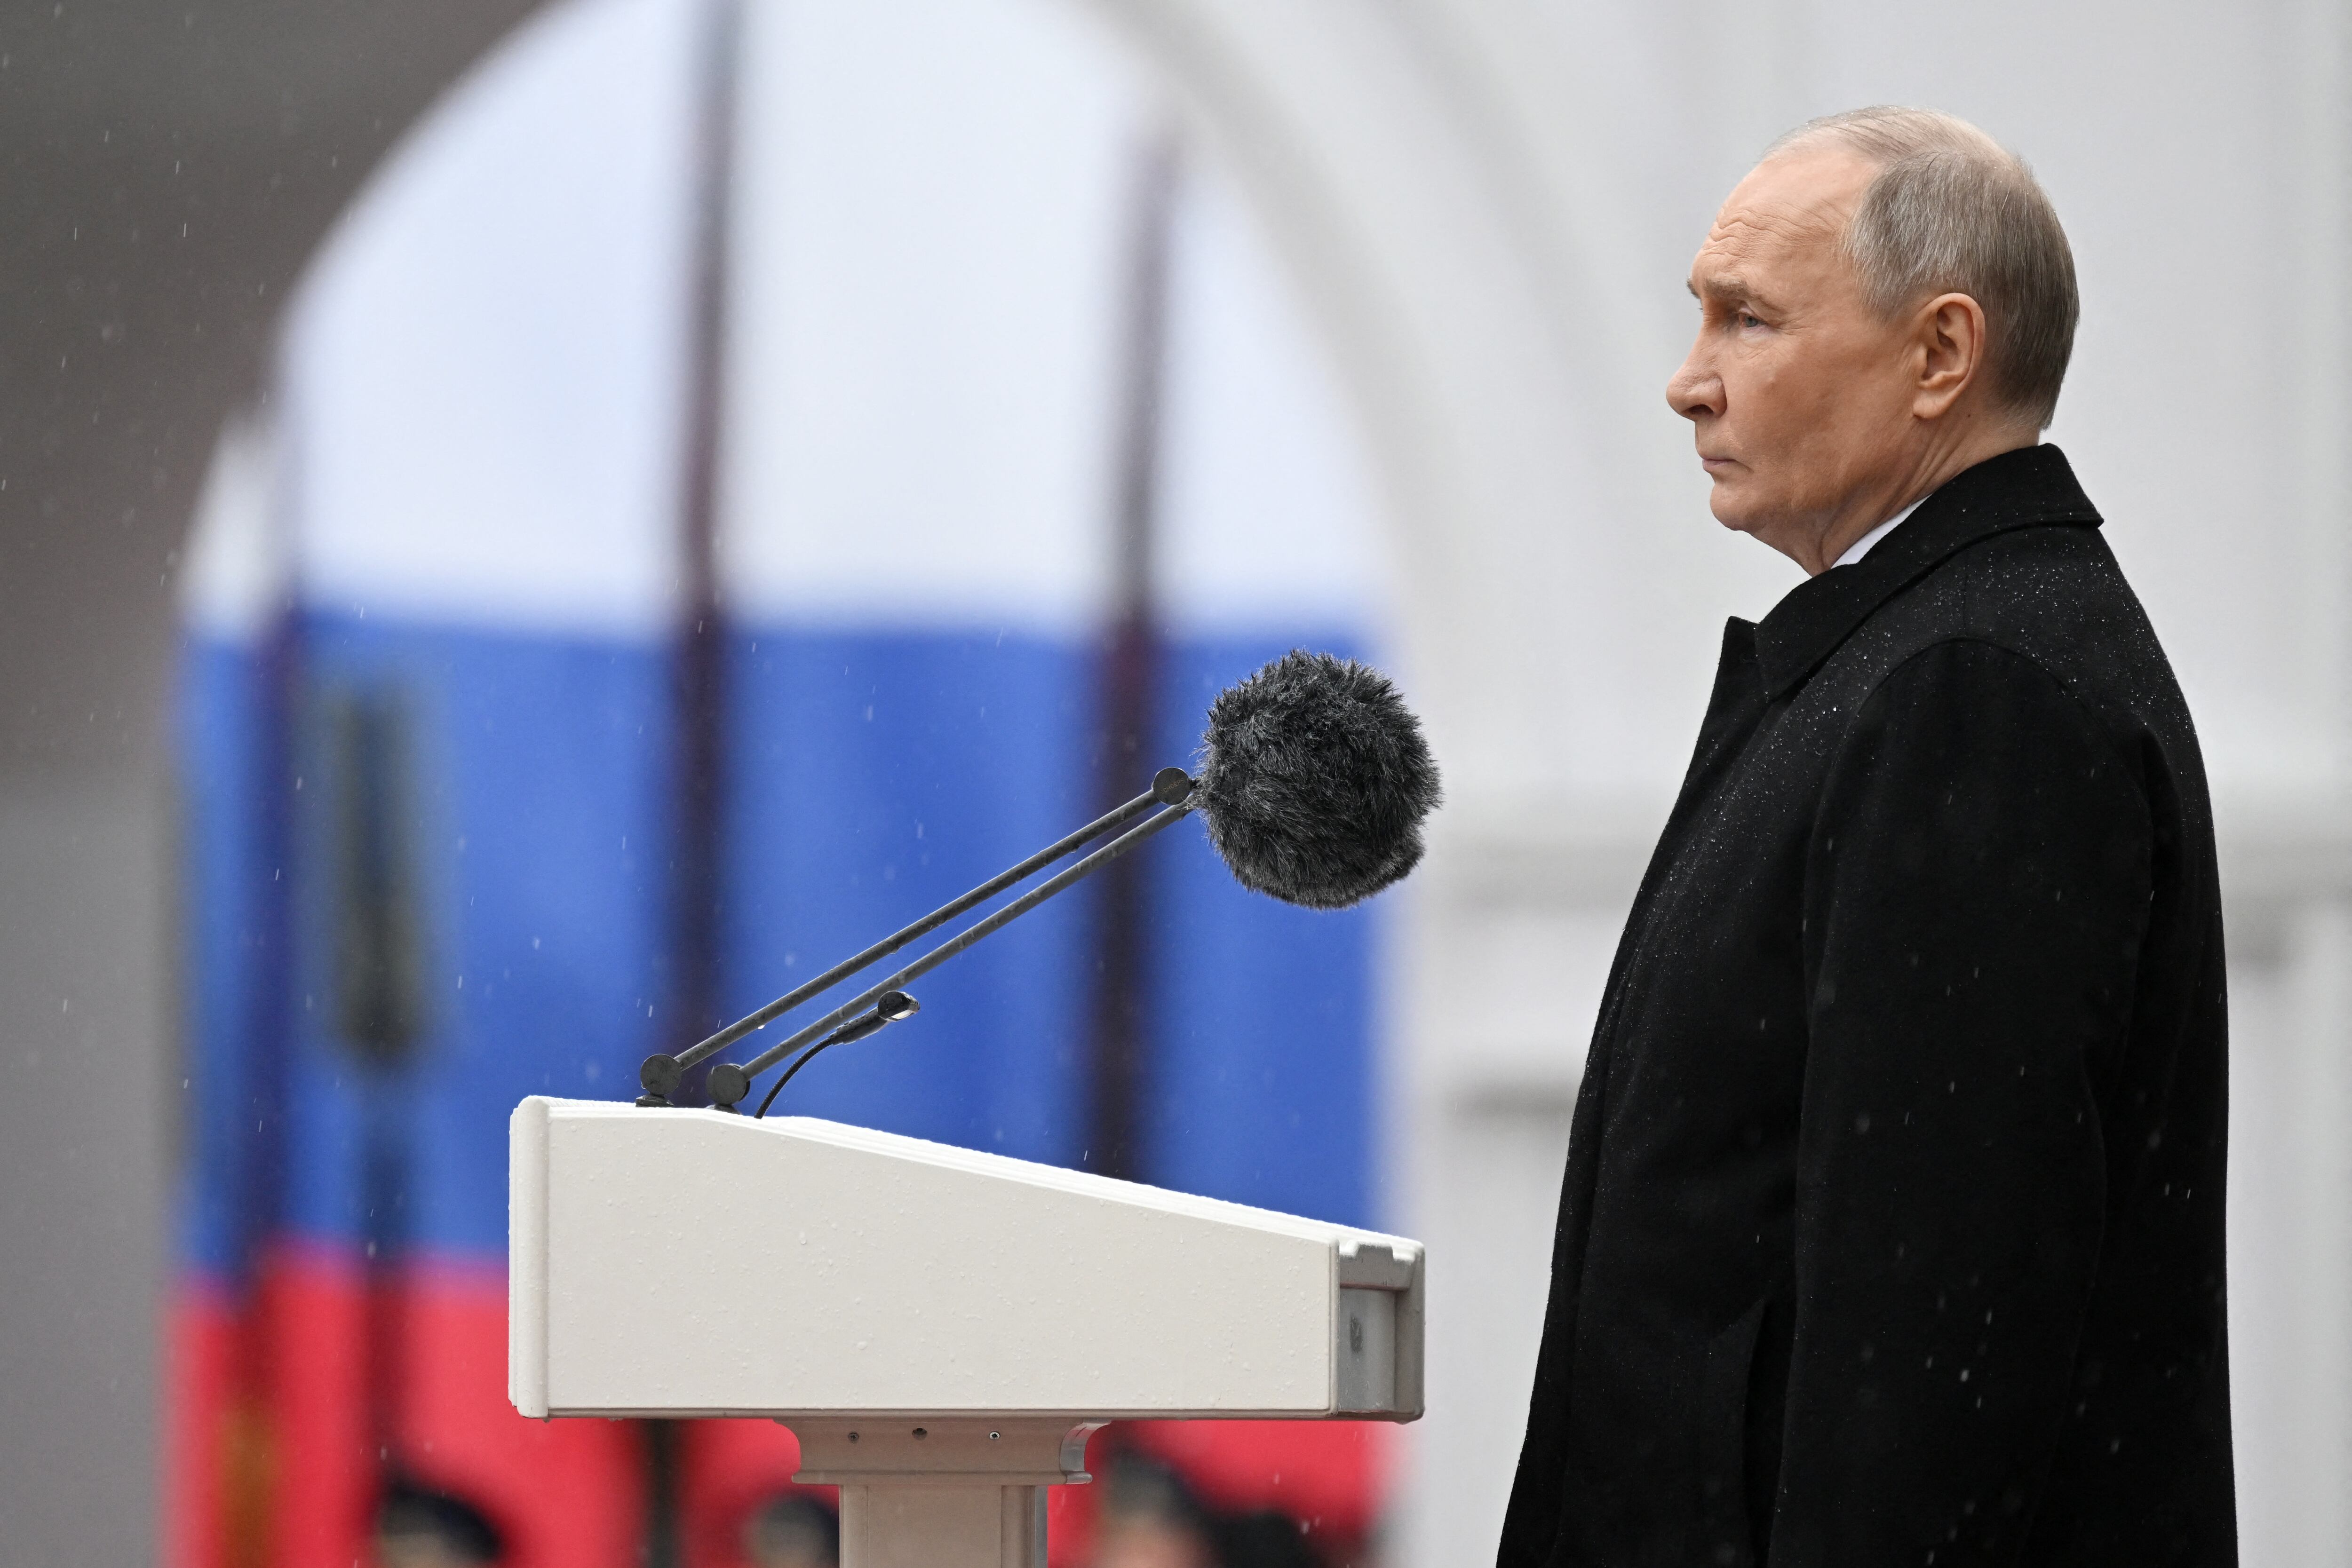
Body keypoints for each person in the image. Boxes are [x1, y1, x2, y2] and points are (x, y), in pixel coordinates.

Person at [1498, 106, 2233, 1565]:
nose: (1685, 383)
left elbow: (1937, 1340)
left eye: (1747, 319)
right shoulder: (1911, 659)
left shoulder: (1982, 692)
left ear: (1940, 356)